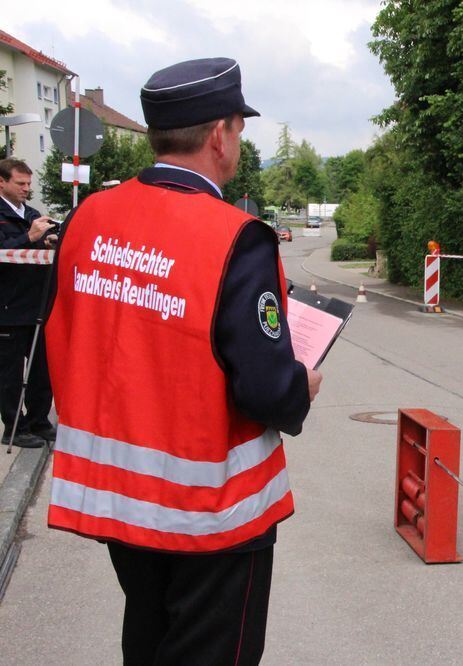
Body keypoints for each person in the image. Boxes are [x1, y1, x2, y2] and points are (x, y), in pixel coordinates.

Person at [44, 58, 322, 665]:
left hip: (120, 501)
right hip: (212, 514)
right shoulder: (238, 235)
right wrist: (303, 382)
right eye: (240, 131)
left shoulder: (86, 218)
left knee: (148, 641)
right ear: (221, 133)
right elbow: (266, 390)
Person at [0, 158, 57, 449]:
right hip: (8, 308)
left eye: (28, 183)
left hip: (37, 306)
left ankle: (39, 421)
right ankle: (14, 427)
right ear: (2, 182)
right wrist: (28, 237)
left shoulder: (32, 213)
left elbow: (37, 247)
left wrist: (46, 241)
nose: (26, 188)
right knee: (10, 375)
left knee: (40, 372)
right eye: (20, 183)